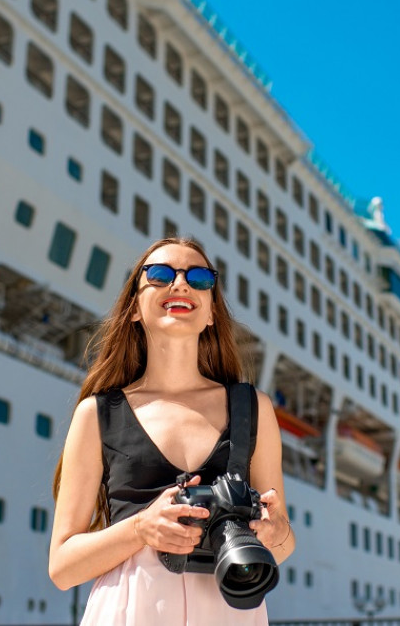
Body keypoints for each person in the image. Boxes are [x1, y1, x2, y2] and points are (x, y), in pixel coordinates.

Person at [49, 237, 295, 625]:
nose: (180, 284)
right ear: (133, 308)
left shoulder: (254, 408)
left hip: (228, 610)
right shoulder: (97, 414)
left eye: (199, 278)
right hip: (128, 611)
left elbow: (282, 543)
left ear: (211, 312)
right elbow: (62, 567)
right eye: (160, 275)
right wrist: (141, 528)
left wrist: (275, 531)